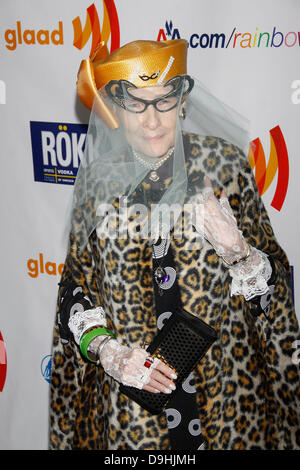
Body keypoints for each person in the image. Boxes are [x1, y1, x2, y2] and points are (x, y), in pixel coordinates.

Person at [49, 39, 300, 450]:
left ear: (182, 101)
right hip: (135, 419)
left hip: (226, 406)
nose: (152, 120)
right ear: (115, 108)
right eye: (137, 103)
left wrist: (241, 253)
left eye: (164, 101)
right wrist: (109, 352)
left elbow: (273, 296)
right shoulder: (96, 184)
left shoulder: (227, 166)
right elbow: (74, 291)